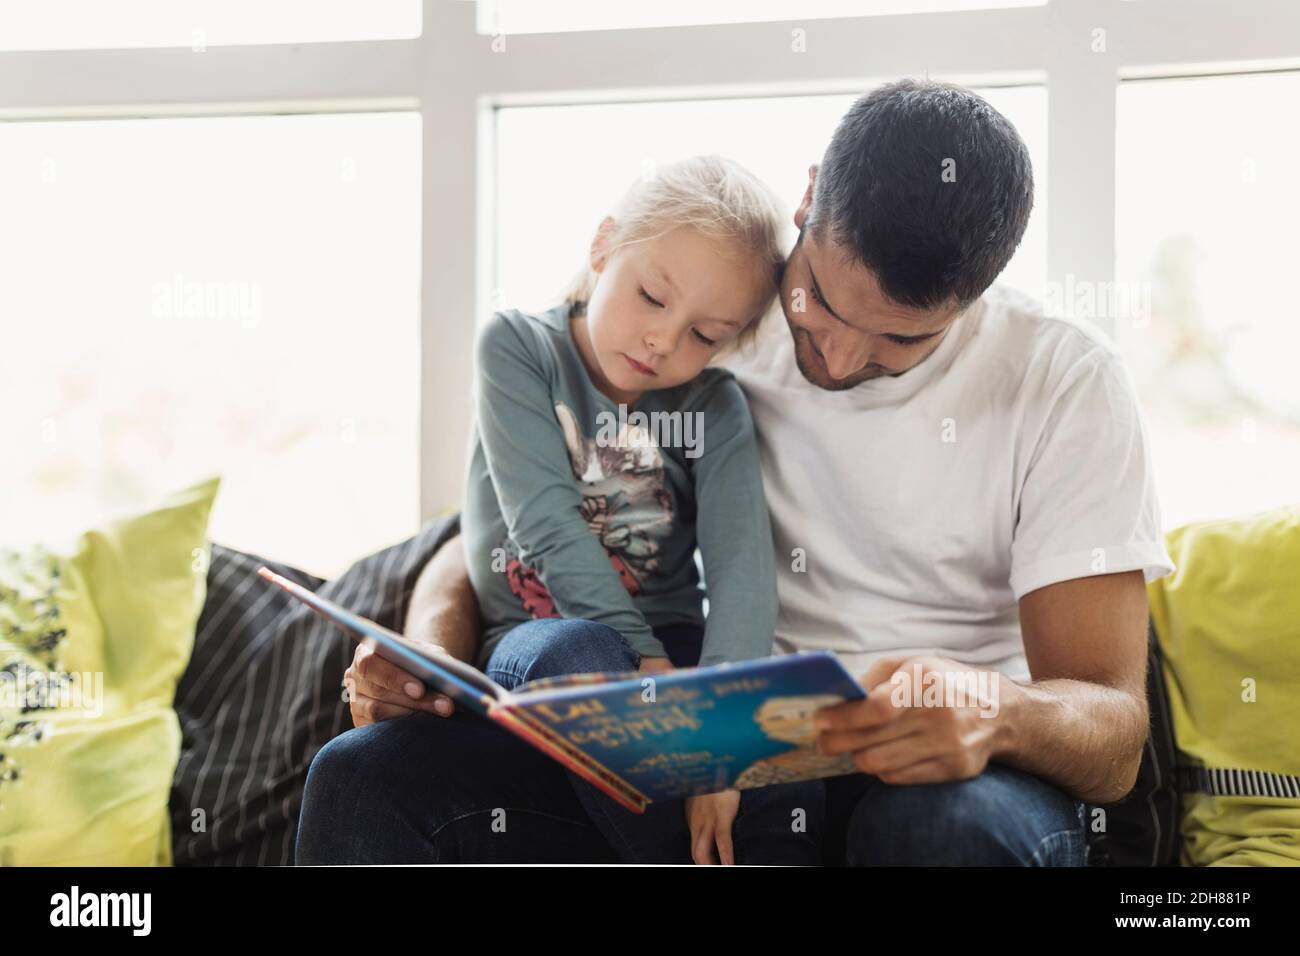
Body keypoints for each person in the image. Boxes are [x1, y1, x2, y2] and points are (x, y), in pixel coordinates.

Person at [297, 79, 1174, 866]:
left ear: (977, 297)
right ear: (807, 197)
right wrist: (429, 657)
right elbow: (504, 523)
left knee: (933, 833)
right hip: (724, 748)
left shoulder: (1063, 381)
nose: (836, 355)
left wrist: (1000, 714)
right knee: (366, 779)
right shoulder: (704, 322)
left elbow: (1114, 734)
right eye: (822, 301)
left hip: (955, 776)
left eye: (904, 339)